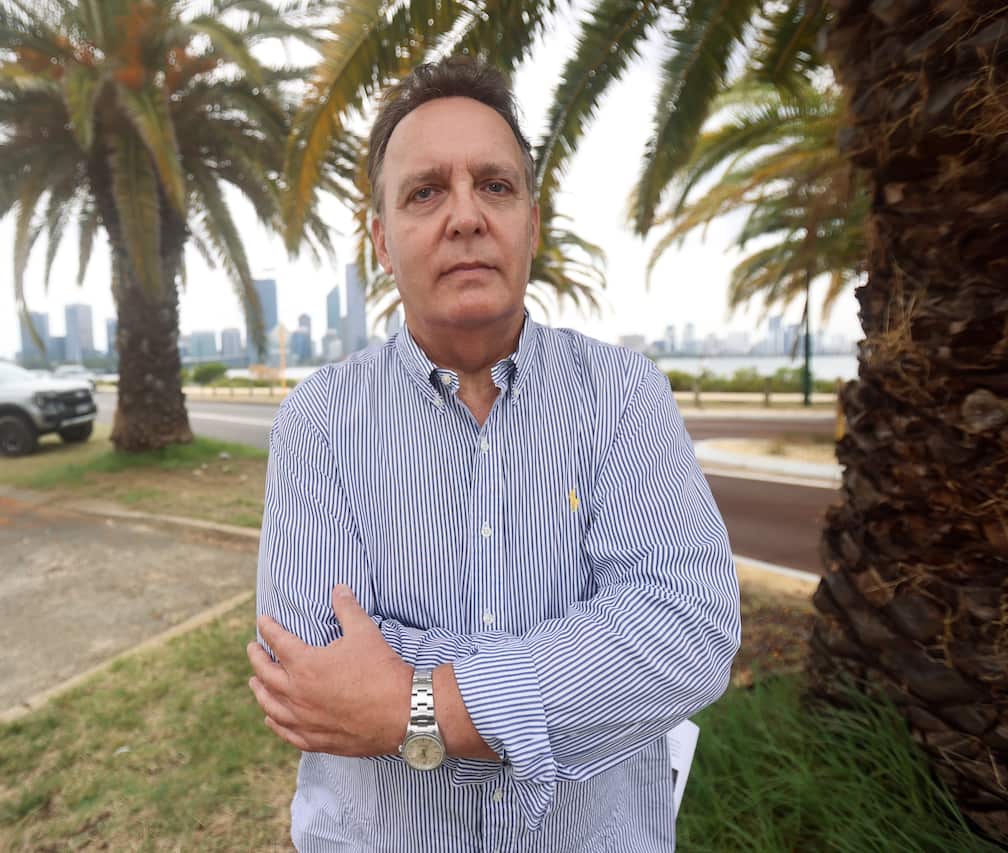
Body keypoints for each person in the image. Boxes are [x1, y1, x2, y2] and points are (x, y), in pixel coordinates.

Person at [248, 56, 740, 852]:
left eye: (495, 185)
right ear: (381, 241)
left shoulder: (624, 395)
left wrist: (416, 706)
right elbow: (309, 665)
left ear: (531, 225)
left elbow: (686, 631)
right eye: (425, 191)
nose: (466, 216)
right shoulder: (319, 420)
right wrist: (586, 670)